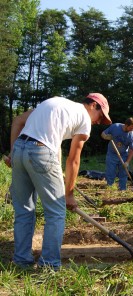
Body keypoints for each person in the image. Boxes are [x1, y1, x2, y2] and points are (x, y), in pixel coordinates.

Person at [6, 93, 111, 270]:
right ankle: (49, 265)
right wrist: (68, 194)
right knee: (56, 212)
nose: (98, 122)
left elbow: (18, 120)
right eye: (101, 117)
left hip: (20, 148)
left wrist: (12, 153)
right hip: (40, 150)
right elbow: (74, 160)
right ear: (94, 105)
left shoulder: (56, 103)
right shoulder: (84, 118)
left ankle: (22, 261)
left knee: (24, 210)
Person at [101, 117, 133, 190]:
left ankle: (122, 190)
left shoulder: (131, 135)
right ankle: (109, 189)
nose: (132, 130)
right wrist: (105, 136)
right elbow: (103, 133)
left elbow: (132, 150)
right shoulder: (115, 127)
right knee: (110, 173)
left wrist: (127, 162)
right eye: (131, 128)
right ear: (126, 125)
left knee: (123, 174)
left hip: (124, 155)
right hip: (112, 154)